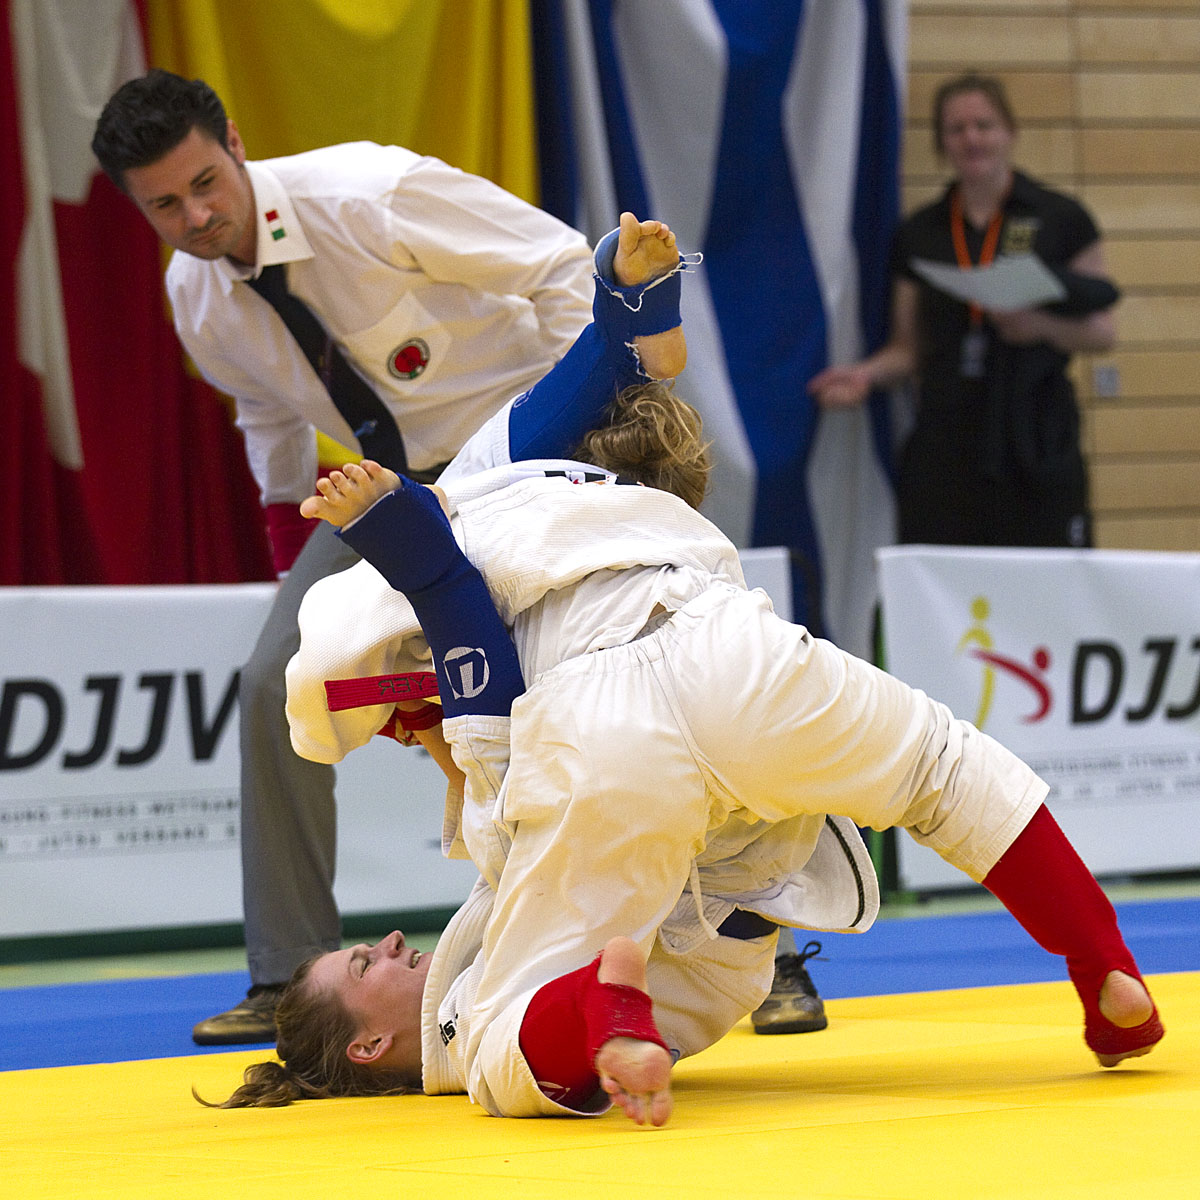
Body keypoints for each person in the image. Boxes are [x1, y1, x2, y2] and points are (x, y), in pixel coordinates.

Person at [235, 304, 1162, 1124]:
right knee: (948, 771)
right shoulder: (588, 502)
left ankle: (601, 1009)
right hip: (731, 651)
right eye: (365, 966)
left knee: (494, 1054)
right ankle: (1103, 965)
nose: (388, 944)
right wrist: (634, 304)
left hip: (602, 724)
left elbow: (474, 707)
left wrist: (412, 552)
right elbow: (566, 400)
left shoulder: (478, 512)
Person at [91, 68, 596, 1044]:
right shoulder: (193, 298)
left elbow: (563, 265)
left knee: (620, 678)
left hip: (527, 452)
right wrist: (299, 567)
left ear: (234, 143)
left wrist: (586, 438)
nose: (196, 216)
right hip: (386, 490)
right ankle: (289, 979)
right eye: (164, 205)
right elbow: (272, 415)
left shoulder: (372, 193)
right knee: (269, 682)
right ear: (138, 207)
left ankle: (768, 943)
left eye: (205, 183)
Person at [808, 72, 1118, 549]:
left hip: (1033, 433)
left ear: (1009, 132)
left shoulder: (1060, 217)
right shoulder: (922, 232)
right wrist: (864, 376)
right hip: (948, 441)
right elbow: (908, 348)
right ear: (942, 143)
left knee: (1047, 584)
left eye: (984, 125)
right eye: (956, 129)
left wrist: (1038, 324)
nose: (971, 138)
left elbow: (1102, 331)